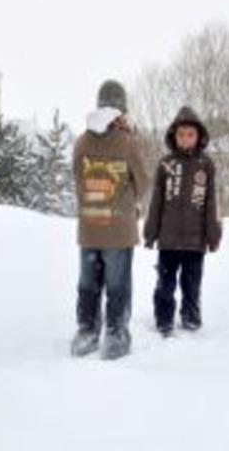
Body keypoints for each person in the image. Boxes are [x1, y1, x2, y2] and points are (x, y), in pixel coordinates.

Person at [71, 80, 149, 360]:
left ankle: (86, 332)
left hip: (90, 227)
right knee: (118, 285)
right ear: (121, 110)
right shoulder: (127, 142)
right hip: (118, 229)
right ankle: (115, 335)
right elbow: (143, 182)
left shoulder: (82, 141)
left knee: (88, 284)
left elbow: (77, 179)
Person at [144, 106, 222, 337]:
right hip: (168, 240)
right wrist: (151, 232)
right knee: (165, 285)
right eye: (181, 134)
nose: (185, 139)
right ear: (173, 136)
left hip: (195, 241)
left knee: (191, 284)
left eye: (190, 135)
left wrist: (212, 234)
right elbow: (156, 200)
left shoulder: (206, 165)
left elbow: (211, 203)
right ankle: (164, 320)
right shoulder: (165, 164)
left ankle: (191, 318)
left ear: (198, 136)